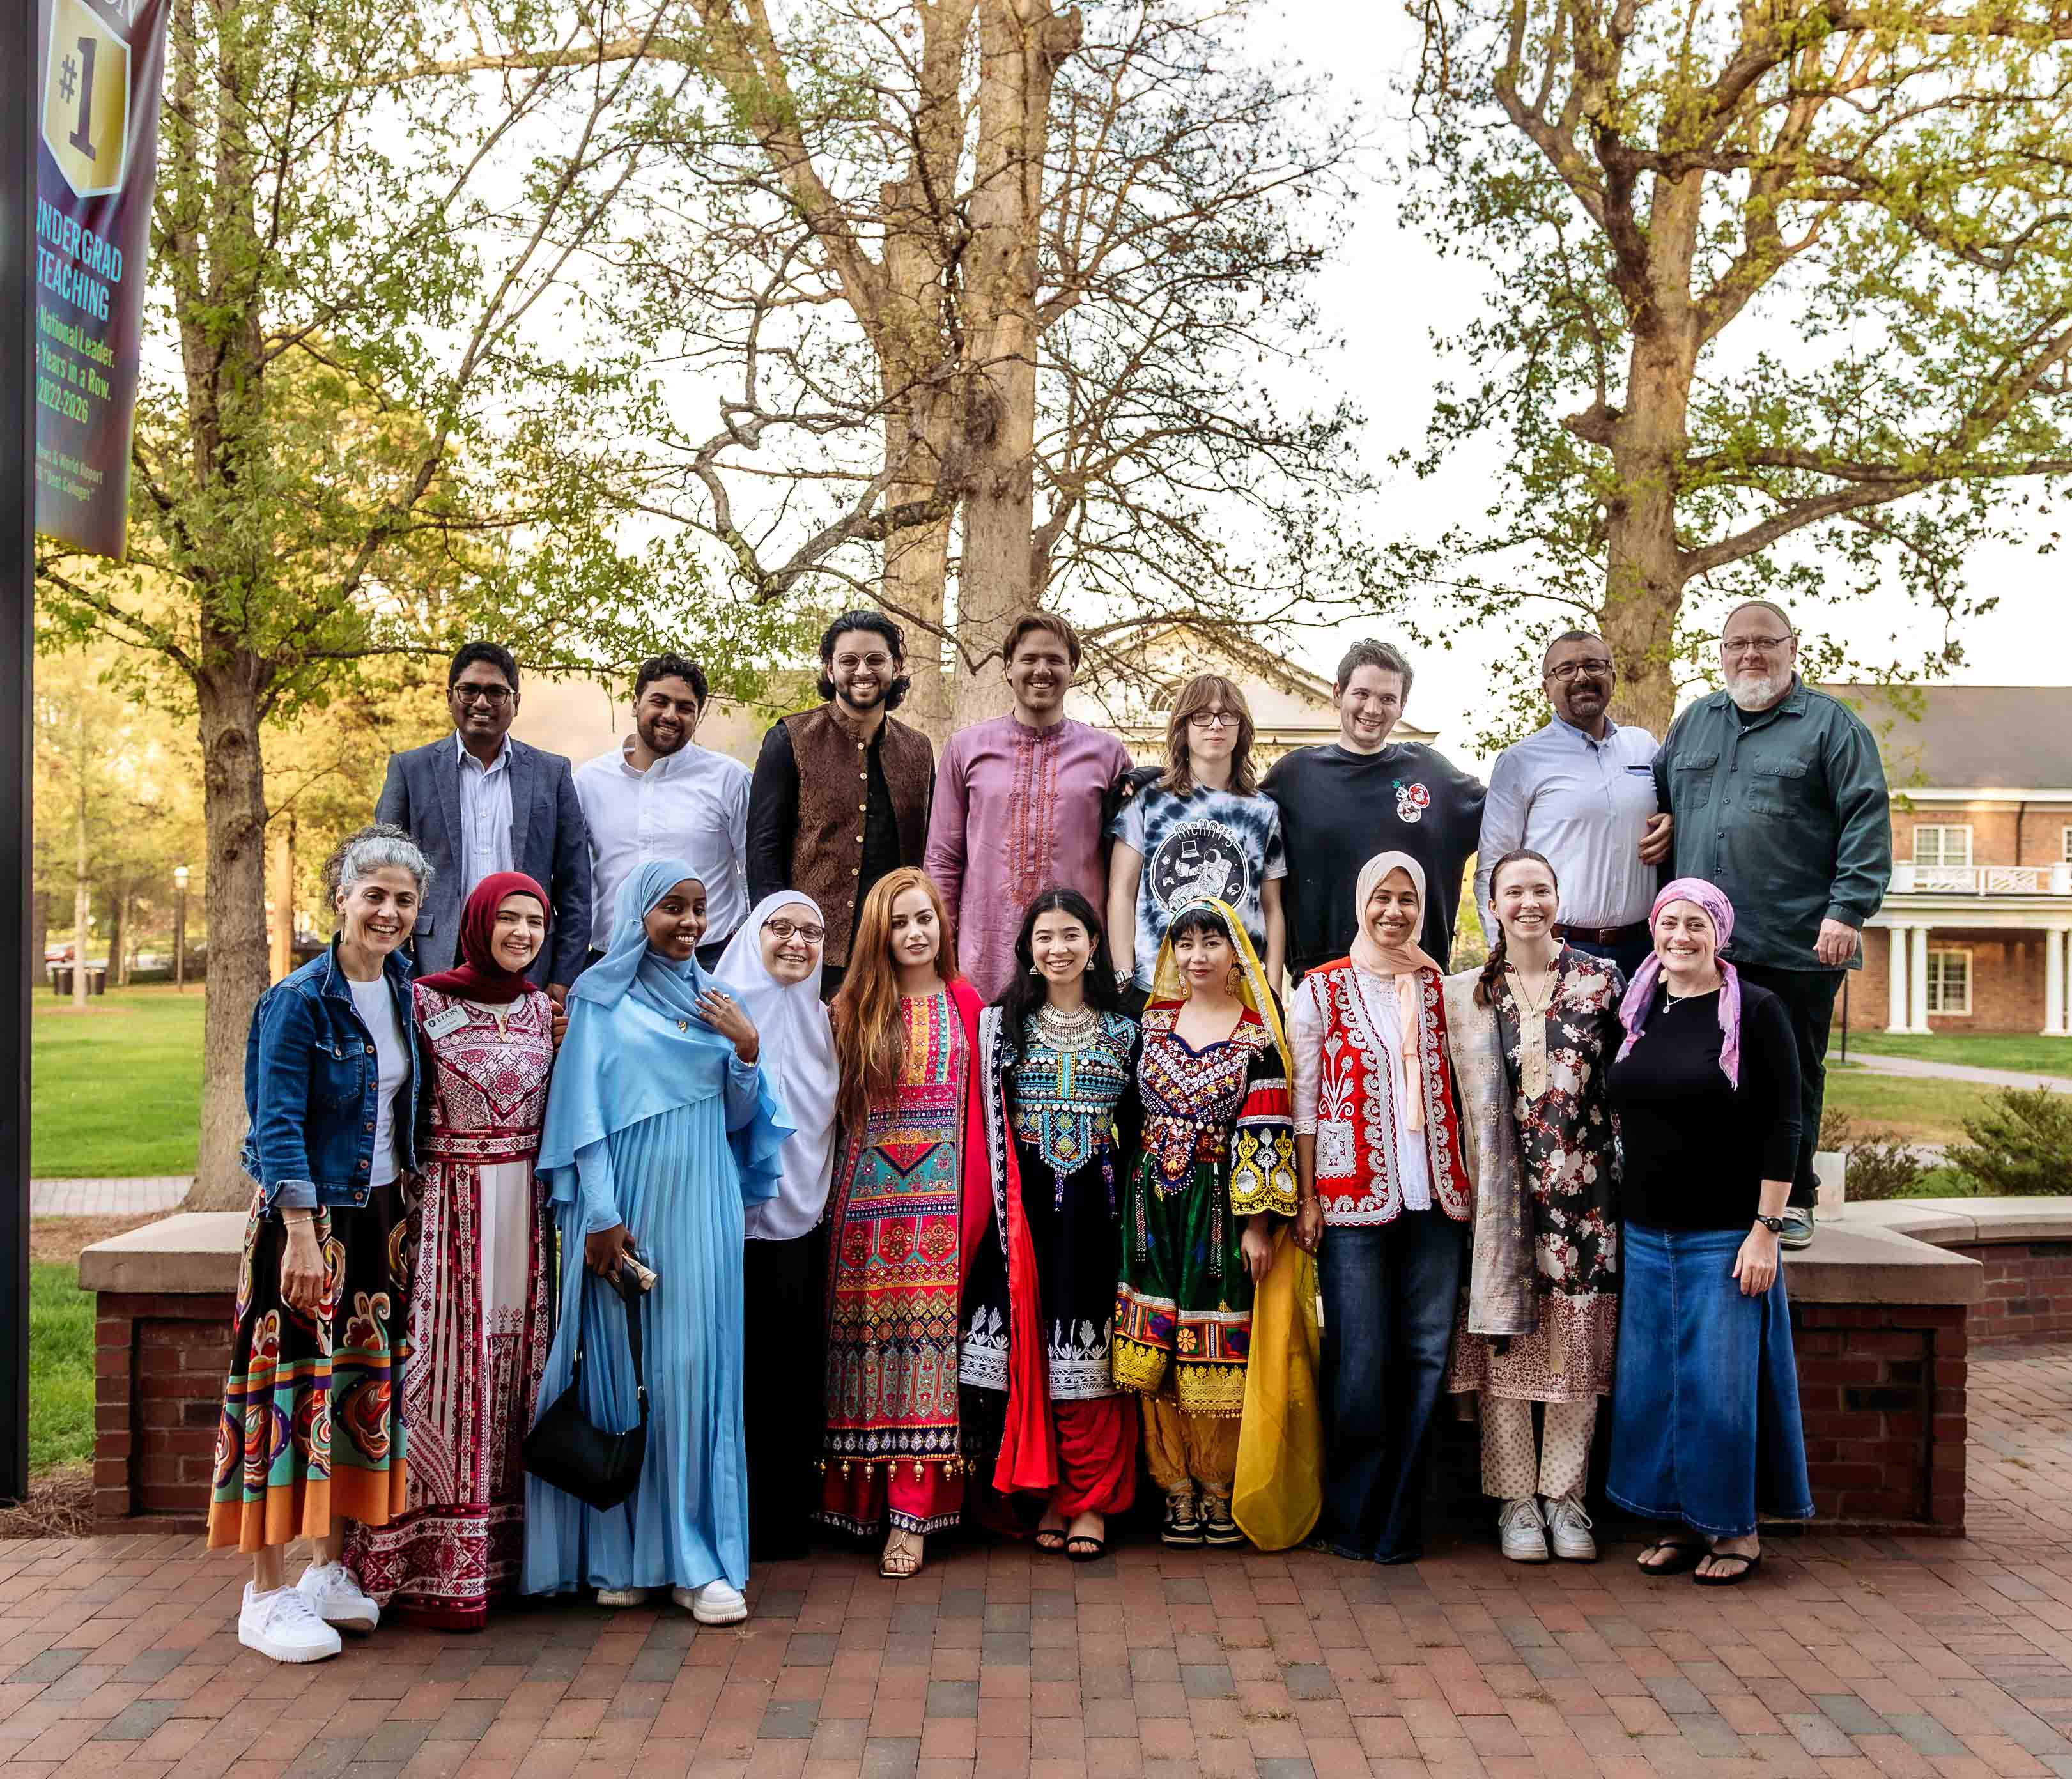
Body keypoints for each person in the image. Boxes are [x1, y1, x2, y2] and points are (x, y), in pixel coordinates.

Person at [521, 863, 789, 1624]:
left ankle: (696, 1561)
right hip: (620, 1211)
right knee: (619, 1368)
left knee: (692, 1370)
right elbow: (582, 1118)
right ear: (639, 912)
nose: (689, 922)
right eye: (672, 907)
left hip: (701, 1204)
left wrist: (745, 1052)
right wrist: (600, 1218)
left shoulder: (719, 1003)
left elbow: (744, 1123)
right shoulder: (598, 1003)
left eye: (700, 909)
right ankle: (623, 1555)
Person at [208, 824, 429, 1664]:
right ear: (339, 898)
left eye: (403, 900)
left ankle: (325, 1572)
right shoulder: (297, 1000)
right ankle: (263, 1592)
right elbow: (274, 1127)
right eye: (373, 894)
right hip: (306, 1228)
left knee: (348, 1397)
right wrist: (300, 1233)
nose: (388, 911)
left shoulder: (404, 990)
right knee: (283, 1394)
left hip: (374, 1224)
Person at [346, 872, 559, 1627]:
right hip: (449, 1214)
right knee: (441, 1373)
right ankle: (423, 1563)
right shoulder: (423, 999)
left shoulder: (543, 1008)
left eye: (535, 921)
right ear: (478, 922)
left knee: (513, 1371)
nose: (523, 934)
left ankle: (512, 1564)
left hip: (526, 1219)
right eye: (508, 919)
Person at [1650, 599, 1892, 1247]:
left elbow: (1865, 822)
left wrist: (1846, 911)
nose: (1750, 654)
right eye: (1737, 644)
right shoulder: (1693, 723)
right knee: (1704, 1069)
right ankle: (1724, 1193)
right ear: (1720, 652)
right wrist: (1665, 825)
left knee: (1790, 1072)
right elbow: (1663, 803)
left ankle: (1795, 1197)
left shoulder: (1831, 729)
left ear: (1792, 647)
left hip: (1796, 940)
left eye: (1764, 642)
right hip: (1700, 947)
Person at [1605, 878, 1813, 1583]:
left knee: (1718, 1390)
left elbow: (1786, 1122)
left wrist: (1765, 1228)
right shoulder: (1638, 1009)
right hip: (1642, 1230)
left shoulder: (1755, 1011)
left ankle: (1733, 1532)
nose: (1679, 938)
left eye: (1695, 925)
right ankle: (1673, 1524)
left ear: (1718, 933)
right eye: (1668, 924)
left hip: (1723, 1234)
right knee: (1651, 1387)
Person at [1286, 852, 1471, 1566]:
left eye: (1407, 900)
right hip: (1349, 1198)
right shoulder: (1322, 988)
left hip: (1439, 1201)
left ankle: (1400, 1519)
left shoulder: (1445, 989)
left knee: (1426, 1358)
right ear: (1359, 901)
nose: (1393, 911)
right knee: (1361, 1362)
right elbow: (1304, 1101)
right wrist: (1306, 1196)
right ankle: (1354, 1516)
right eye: (1381, 898)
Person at [1442, 849, 1623, 1565]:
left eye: (1540, 890)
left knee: (1576, 1347)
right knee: (1505, 1342)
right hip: (1498, 1199)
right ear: (1491, 903)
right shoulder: (1467, 992)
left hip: (1584, 1201)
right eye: (1512, 891)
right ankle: (1515, 1502)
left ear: (1558, 896)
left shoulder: (1599, 980)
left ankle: (1566, 1499)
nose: (1528, 903)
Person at [819, 868, 995, 1579]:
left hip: (943, 1205)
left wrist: (977, 1211)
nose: (915, 933)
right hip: (862, 1206)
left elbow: (985, 1114)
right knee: (864, 1353)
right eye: (899, 923)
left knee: (929, 1356)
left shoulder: (967, 1001)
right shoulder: (851, 1006)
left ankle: (912, 1515)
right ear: (878, 934)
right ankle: (860, 1502)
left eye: (925, 919)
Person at [961, 889, 1140, 1561]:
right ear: (1027, 950)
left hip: (1097, 1211)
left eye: (1070, 935)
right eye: (1043, 937)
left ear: (1094, 944)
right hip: (1020, 1209)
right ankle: (1036, 1494)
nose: (1057, 948)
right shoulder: (1001, 1026)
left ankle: (1086, 1501)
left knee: (1086, 1356)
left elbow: (1143, 1130)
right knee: (1017, 1350)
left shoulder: (1128, 1029)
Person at [1113, 898, 1298, 1550]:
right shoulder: (1148, 1022)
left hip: (1219, 1212)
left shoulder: (1257, 1036)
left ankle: (1218, 1487)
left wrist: (1258, 1226)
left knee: (1213, 1338)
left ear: (1235, 953)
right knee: (1154, 1340)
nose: (1197, 956)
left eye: (1211, 943)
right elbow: (1121, 1114)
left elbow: (1268, 1131)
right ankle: (1174, 1490)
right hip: (1147, 1208)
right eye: (1184, 942)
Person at [713, 892, 840, 1564]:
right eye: (781, 928)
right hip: (720, 1224)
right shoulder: (717, 1004)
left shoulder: (825, 1020)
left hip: (799, 1224)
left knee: (785, 1371)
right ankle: (724, 1516)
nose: (796, 943)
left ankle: (780, 1521)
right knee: (729, 1371)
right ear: (753, 934)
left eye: (810, 932)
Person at [924, 613, 1133, 1002]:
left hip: (1076, 957)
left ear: (1072, 669)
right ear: (1008, 669)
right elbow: (942, 857)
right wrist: (940, 947)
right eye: (1029, 659)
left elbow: (1126, 869)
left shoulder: (1108, 755)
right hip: (984, 955)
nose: (1042, 670)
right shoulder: (966, 748)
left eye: (1054, 660)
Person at [375, 642, 591, 997]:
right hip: (436, 959)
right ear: (450, 697)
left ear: (515, 703)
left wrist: (564, 975)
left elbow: (575, 886)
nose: (481, 703)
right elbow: (382, 870)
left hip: (529, 958)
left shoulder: (551, 774)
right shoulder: (411, 771)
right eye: (469, 690)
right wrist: (398, 968)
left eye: (496, 693)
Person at [1264, 640, 1485, 980]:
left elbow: (1509, 813)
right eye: (1361, 694)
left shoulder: (1431, 772)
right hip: (1322, 978)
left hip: (1415, 975)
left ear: (1402, 706)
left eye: (1387, 699)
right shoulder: (1295, 776)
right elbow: (1233, 814)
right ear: (1338, 693)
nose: (1372, 709)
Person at [746, 610, 935, 996]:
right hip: (810, 950)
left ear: (896, 666)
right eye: (848, 660)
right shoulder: (790, 739)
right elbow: (763, 849)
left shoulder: (918, 750)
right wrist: (779, 936)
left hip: (892, 948)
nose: (862, 671)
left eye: (876, 660)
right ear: (830, 670)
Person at [1474, 632, 1668, 979]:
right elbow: (1493, 868)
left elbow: (1670, 811)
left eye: (1594, 666)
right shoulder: (1520, 761)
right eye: (1566, 669)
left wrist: (1672, 822)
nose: (1582, 677)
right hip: (1559, 950)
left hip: (1644, 950)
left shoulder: (1645, 748)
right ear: (1546, 688)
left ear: (1612, 677)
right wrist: (1506, 958)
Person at [1108, 676, 1287, 1006]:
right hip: (1157, 988)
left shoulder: (1263, 811)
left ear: (1241, 727)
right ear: (1183, 728)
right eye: (1202, 715)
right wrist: (1124, 974)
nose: (1215, 725)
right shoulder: (1148, 800)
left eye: (1227, 715)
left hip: (1239, 990)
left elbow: (1271, 907)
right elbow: (1122, 889)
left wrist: (1272, 989)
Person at [575, 652, 752, 972]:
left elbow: (753, 867)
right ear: (635, 703)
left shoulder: (730, 779)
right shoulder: (588, 781)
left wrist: (747, 939)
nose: (671, 715)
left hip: (708, 961)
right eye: (660, 702)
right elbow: (575, 877)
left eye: (685, 708)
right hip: (613, 962)